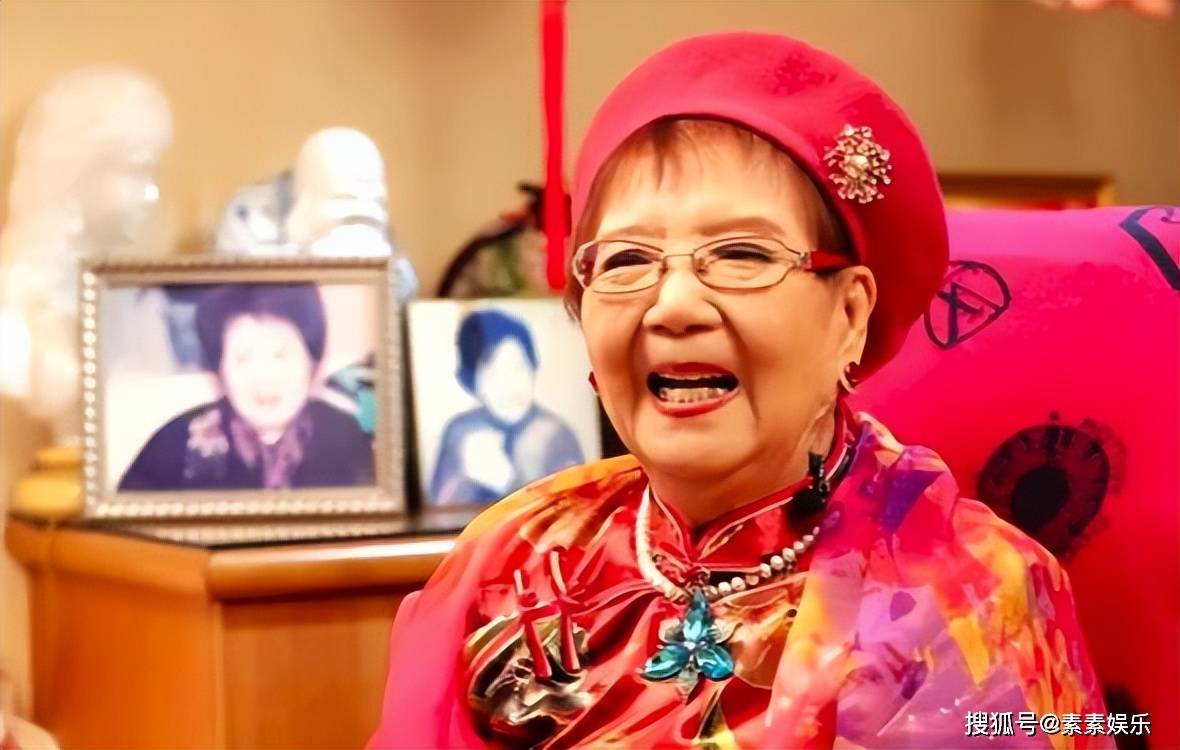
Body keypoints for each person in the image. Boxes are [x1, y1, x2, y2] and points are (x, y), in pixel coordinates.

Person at [370, 33, 1109, 748]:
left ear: (850, 315)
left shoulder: (973, 593)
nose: (672, 306)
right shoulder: (515, 560)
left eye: (741, 254)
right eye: (626, 261)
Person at [118, 283, 374, 491]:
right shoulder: (175, 443)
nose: (264, 377)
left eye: (281, 355)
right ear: (220, 373)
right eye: (243, 358)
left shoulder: (348, 437)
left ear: (312, 364)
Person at [429, 309, 584, 506]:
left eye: (518, 368)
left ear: (532, 367)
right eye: (493, 374)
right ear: (473, 383)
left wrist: (508, 481)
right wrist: (464, 482)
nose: (510, 386)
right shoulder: (459, 431)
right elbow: (438, 509)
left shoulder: (556, 435)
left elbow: (577, 511)